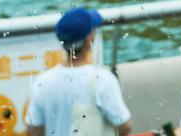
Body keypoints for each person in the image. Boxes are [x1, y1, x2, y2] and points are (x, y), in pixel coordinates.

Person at [26, 7, 133, 136]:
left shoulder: (42, 82)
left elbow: (34, 130)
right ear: (89, 40)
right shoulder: (102, 79)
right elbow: (124, 126)